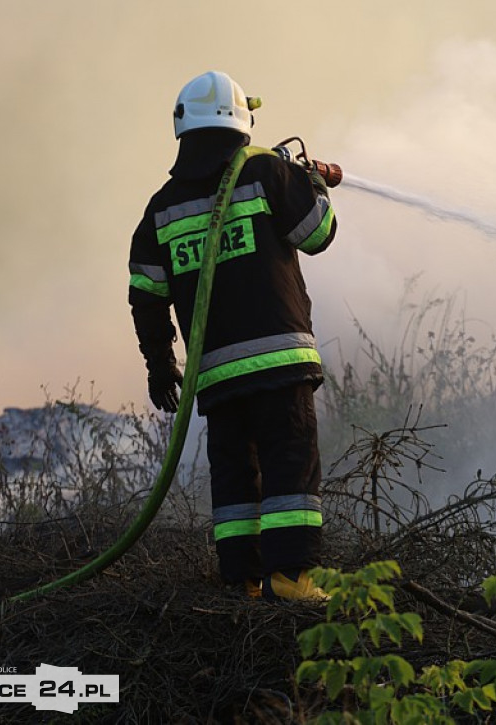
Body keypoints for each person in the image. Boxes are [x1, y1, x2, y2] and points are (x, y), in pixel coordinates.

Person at [127, 70, 336, 602]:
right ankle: (292, 580)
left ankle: (242, 581)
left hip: (217, 377)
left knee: (236, 479)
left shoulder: (160, 210)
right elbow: (318, 234)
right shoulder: (265, 171)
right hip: (279, 364)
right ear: (242, 121)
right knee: (291, 467)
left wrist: (159, 364)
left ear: (183, 129)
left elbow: (146, 298)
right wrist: (309, 182)